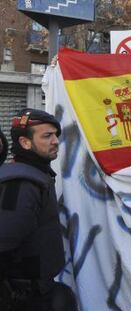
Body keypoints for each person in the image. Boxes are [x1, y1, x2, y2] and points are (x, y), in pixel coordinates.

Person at [0, 108, 77, 310]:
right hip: (24, 296)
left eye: (56, 135)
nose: (55, 141)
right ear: (25, 143)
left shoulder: (37, 175)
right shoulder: (21, 183)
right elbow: (4, 242)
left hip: (37, 289)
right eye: (47, 136)